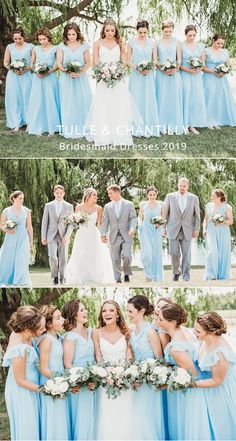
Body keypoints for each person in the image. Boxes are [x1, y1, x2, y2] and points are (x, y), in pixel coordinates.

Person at [156, 302, 212, 440]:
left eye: (161, 319)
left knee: (187, 428)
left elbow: (193, 374)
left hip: (188, 394)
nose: (157, 321)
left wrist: (168, 381)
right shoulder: (185, 331)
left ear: (172, 322)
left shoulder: (175, 348)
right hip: (190, 389)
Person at [86, 18, 141, 146]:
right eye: (107, 30)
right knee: (103, 105)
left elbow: (124, 61)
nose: (110, 33)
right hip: (103, 79)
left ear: (115, 30)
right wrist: (103, 72)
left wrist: (117, 72)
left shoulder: (120, 43)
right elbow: (95, 63)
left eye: (112, 30)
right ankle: (103, 136)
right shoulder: (97, 43)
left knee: (118, 105)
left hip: (118, 78)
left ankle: (119, 134)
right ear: (103, 30)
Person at [92, 300, 136, 440]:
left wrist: (123, 374)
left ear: (117, 314)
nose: (107, 313)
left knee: (125, 414)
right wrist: (106, 374)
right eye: (104, 311)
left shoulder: (126, 331)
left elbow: (129, 357)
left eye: (111, 310)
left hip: (124, 380)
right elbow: (98, 357)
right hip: (106, 381)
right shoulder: (96, 333)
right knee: (107, 415)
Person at [2, 306, 46, 440]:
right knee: (28, 427)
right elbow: (20, 380)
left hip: (30, 386)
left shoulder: (25, 333)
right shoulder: (19, 348)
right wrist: (45, 389)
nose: (44, 330)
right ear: (28, 329)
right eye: (41, 328)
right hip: (22, 390)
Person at [127, 295, 165, 440]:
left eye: (131, 311)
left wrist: (149, 375)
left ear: (141, 311)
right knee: (136, 418)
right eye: (128, 311)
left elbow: (160, 360)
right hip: (136, 382)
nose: (128, 315)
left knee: (146, 417)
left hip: (150, 383)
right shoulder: (131, 331)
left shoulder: (150, 332)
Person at [195, 311, 236, 439]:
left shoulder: (220, 353)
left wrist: (191, 384)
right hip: (206, 389)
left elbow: (217, 380)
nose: (194, 333)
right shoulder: (204, 339)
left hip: (219, 393)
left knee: (220, 427)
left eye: (198, 331)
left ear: (211, 333)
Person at [62, 300, 96, 440]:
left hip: (93, 381)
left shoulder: (91, 332)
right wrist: (83, 378)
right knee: (81, 417)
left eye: (85, 309)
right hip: (79, 383)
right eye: (82, 310)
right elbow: (67, 363)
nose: (86, 312)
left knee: (93, 417)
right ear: (73, 314)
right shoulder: (70, 336)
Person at [66, 188, 115, 284]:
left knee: (94, 254)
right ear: (88, 195)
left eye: (96, 195)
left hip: (94, 234)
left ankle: (94, 277)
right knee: (81, 254)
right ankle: (81, 276)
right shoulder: (79, 208)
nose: (96, 197)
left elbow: (100, 224)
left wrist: (104, 236)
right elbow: (74, 223)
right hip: (81, 234)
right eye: (94, 195)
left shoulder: (99, 208)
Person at [37, 305, 71, 440]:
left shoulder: (58, 337)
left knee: (61, 418)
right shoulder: (46, 340)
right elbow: (43, 368)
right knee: (54, 419)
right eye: (58, 318)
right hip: (51, 383)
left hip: (60, 383)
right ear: (49, 323)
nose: (63, 320)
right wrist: (61, 380)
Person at [57, 23, 92, 138]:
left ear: (78, 33)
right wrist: (67, 71)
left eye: (73, 34)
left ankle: (85, 126)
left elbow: (88, 62)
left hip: (80, 79)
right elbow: (59, 63)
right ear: (65, 34)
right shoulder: (61, 46)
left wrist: (80, 72)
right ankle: (69, 127)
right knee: (68, 102)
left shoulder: (84, 46)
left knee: (82, 101)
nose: (71, 36)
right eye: (69, 34)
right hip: (66, 79)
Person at [162, 177, 200, 281]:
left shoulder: (194, 198)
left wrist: (196, 229)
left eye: (184, 186)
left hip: (188, 229)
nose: (182, 188)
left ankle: (186, 274)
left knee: (186, 254)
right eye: (180, 186)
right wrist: (163, 228)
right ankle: (176, 272)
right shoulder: (170, 197)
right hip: (172, 228)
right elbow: (165, 213)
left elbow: (197, 215)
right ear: (178, 185)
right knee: (174, 253)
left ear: (187, 186)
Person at [127, 20, 160, 137]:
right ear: (137, 30)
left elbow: (155, 59)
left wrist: (149, 68)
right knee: (136, 98)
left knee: (148, 98)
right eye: (140, 32)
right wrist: (137, 69)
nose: (142, 35)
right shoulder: (131, 42)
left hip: (149, 74)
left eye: (144, 32)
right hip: (136, 74)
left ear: (148, 31)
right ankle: (135, 125)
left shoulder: (153, 43)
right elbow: (128, 60)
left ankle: (149, 124)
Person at [101, 184, 137, 283]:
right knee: (115, 259)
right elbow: (105, 222)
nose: (109, 195)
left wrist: (132, 228)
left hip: (127, 234)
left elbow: (133, 218)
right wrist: (103, 234)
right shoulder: (107, 207)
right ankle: (117, 279)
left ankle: (126, 274)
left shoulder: (129, 204)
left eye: (110, 193)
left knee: (126, 256)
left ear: (117, 192)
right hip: (113, 235)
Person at [28, 28, 61, 135]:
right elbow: (32, 63)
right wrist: (36, 71)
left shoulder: (56, 48)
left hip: (50, 77)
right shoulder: (35, 49)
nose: (42, 41)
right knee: (38, 101)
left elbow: (58, 64)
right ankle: (38, 125)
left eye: (44, 39)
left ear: (48, 37)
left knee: (50, 100)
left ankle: (52, 126)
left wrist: (49, 71)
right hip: (37, 78)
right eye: (40, 39)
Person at [155, 20, 184, 135]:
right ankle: (161, 124)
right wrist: (162, 69)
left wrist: (174, 69)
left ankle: (174, 124)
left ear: (173, 30)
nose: (168, 33)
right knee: (162, 98)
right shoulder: (156, 42)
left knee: (173, 98)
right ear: (162, 30)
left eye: (170, 31)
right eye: (166, 31)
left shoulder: (177, 42)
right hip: (161, 74)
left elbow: (179, 59)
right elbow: (155, 59)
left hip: (174, 74)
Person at [41, 184, 73, 285]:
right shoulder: (48, 206)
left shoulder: (69, 206)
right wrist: (43, 237)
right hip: (51, 235)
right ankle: (54, 276)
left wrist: (67, 236)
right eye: (57, 193)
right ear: (54, 193)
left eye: (61, 193)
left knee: (63, 257)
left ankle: (63, 277)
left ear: (64, 193)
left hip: (63, 235)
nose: (59, 195)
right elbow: (44, 222)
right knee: (52, 256)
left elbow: (71, 223)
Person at [202, 33, 236, 128]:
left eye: (222, 44)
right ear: (213, 40)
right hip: (209, 77)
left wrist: (224, 72)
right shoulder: (205, 51)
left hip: (221, 78)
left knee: (220, 98)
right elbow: (202, 67)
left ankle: (219, 119)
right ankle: (208, 120)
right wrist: (214, 71)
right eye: (218, 43)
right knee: (209, 98)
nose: (220, 45)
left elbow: (228, 65)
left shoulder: (225, 51)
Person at [0, 190, 33, 286]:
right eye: (20, 198)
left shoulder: (27, 211)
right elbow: (1, 225)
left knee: (21, 258)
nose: (22, 200)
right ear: (14, 199)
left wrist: (31, 241)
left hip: (23, 237)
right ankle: (6, 278)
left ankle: (19, 281)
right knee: (8, 258)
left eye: (23, 198)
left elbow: (29, 226)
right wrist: (8, 230)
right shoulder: (6, 211)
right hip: (11, 237)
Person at [3, 27, 33, 131]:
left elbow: (33, 64)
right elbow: (6, 62)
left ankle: (29, 122)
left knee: (27, 97)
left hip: (26, 75)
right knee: (14, 98)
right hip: (13, 75)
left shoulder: (31, 47)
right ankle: (16, 122)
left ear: (23, 37)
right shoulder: (9, 47)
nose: (17, 41)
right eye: (15, 39)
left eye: (19, 38)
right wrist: (13, 68)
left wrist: (25, 69)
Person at [179, 25, 207, 134]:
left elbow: (203, 63)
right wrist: (188, 70)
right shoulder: (180, 45)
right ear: (185, 34)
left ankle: (192, 124)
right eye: (190, 35)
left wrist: (198, 68)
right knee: (186, 97)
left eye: (194, 35)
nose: (192, 37)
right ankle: (184, 122)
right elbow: (179, 64)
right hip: (185, 75)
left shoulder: (201, 46)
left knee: (195, 98)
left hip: (196, 76)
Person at [203, 189, 233, 280]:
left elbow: (231, 221)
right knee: (212, 251)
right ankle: (211, 275)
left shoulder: (227, 207)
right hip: (211, 231)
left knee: (222, 252)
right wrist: (204, 229)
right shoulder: (208, 206)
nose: (212, 197)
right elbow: (205, 219)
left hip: (223, 231)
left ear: (220, 197)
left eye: (214, 196)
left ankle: (222, 274)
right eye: (211, 196)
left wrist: (222, 222)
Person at [138, 186, 164, 282]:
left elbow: (164, 217)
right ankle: (148, 275)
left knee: (156, 254)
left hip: (157, 230)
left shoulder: (161, 204)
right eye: (150, 195)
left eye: (154, 195)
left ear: (156, 194)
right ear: (147, 195)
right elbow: (140, 217)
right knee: (147, 254)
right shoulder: (143, 204)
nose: (152, 196)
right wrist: (140, 226)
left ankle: (156, 276)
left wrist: (160, 223)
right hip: (146, 230)